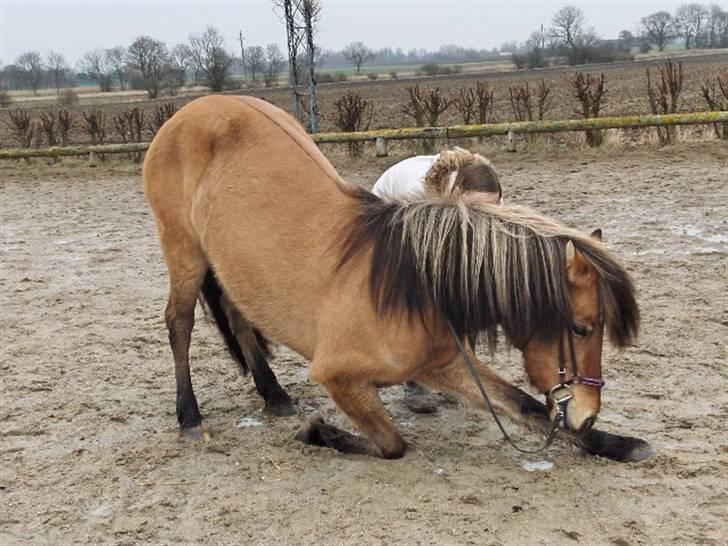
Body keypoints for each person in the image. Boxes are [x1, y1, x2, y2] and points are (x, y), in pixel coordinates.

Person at [372, 148, 504, 414]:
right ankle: (413, 382)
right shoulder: (415, 191)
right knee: (416, 299)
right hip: (386, 223)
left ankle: (459, 367)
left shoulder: (486, 193)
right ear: (455, 195)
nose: (484, 217)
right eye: (476, 210)